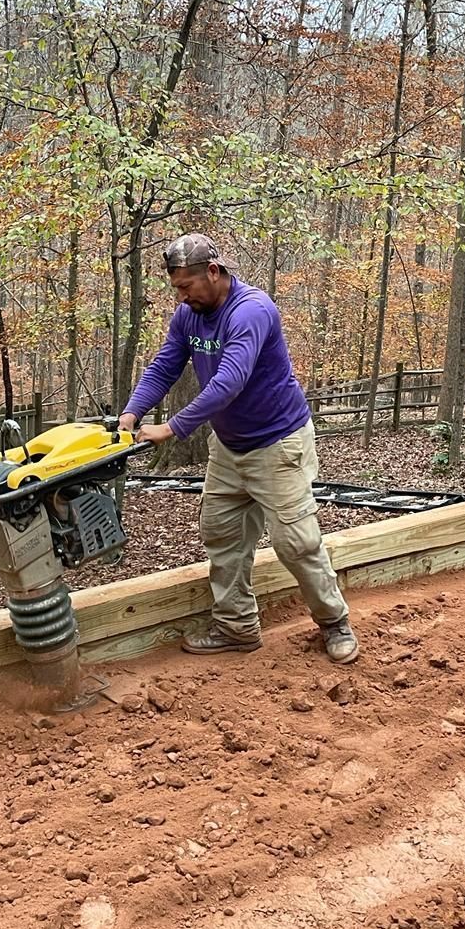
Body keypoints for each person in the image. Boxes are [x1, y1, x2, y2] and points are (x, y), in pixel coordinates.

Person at [118, 233, 359, 664]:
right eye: (176, 287)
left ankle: (334, 622)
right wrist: (132, 413)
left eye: (186, 285)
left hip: (277, 444)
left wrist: (171, 428)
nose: (181, 295)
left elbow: (229, 381)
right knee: (221, 535)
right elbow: (164, 365)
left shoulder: (251, 311)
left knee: (296, 543)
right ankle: (236, 626)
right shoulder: (187, 316)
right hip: (228, 449)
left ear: (214, 272)